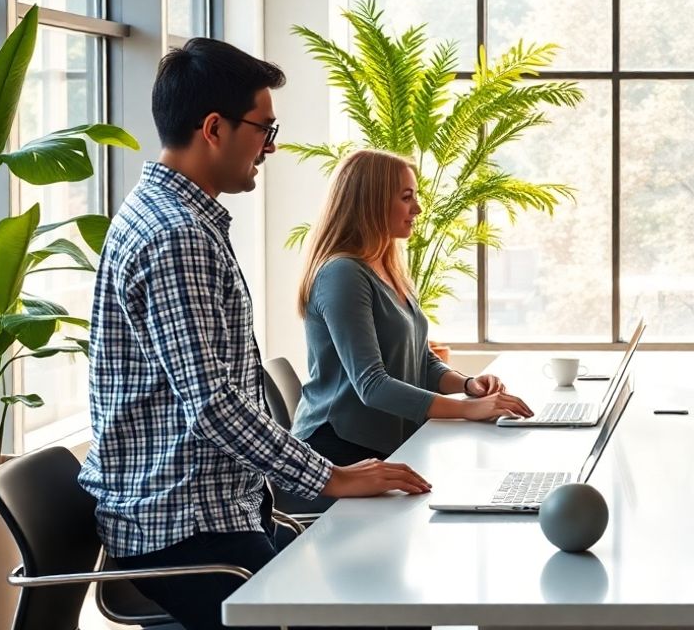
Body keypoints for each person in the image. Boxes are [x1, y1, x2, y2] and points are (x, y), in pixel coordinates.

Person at [79, 39, 430, 630]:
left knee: (376, 595)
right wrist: (333, 476)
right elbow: (214, 405)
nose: (272, 146)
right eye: (264, 129)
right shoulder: (177, 237)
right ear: (214, 128)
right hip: (184, 529)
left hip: (216, 511)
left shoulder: (179, 220)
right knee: (363, 609)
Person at [290, 149, 533, 466]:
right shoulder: (343, 274)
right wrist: (468, 409)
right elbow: (372, 386)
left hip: (382, 443)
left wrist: (467, 385)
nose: (417, 208)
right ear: (372, 203)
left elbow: (421, 361)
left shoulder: (387, 268)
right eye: (406, 198)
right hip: (337, 450)